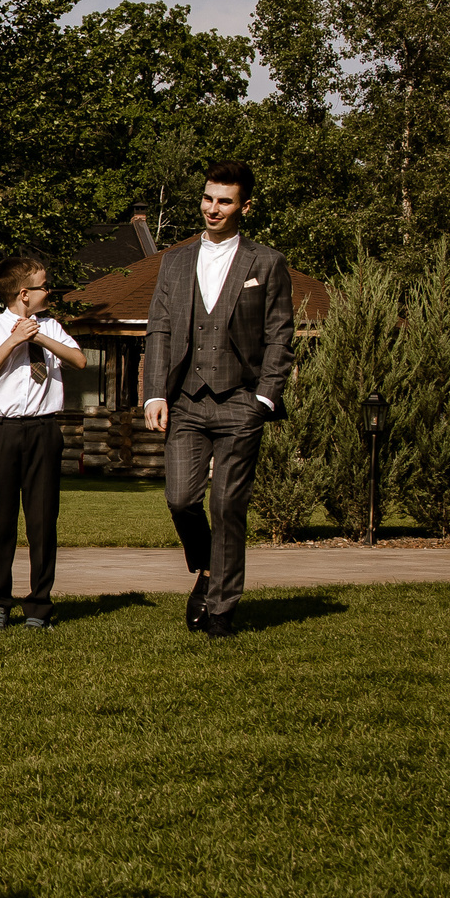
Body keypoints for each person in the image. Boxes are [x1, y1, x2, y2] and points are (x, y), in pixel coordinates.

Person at [141, 161, 295, 638]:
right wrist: (154, 394)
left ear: (244, 206)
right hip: (186, 400)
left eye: (224, 201)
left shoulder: (265, 262)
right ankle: (208, 569)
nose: (213, 208)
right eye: (208, 198)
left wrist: (265, 398)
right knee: (181, 498)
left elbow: (280, 334)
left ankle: (222, 607)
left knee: (228, 505)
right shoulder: (175, 261)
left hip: (240, 401)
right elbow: (160, 328)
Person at [0, 253, 86, 631]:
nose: (49, 290)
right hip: (0, 430)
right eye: (44, 286)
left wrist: (42, 339)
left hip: (42, 430)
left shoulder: (51, 327)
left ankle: (39, 606)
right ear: (24, 293)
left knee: (42, 521)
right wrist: (14, 341)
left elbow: (79, 361)